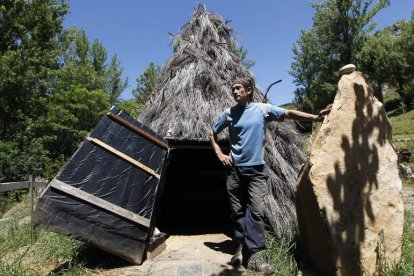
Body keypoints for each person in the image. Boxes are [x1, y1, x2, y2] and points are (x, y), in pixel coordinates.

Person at [209, 76, 330, 274]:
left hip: (256, 170)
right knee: (237, 211)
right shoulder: (228, 113)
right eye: (233, 89)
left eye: (238, 88)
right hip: (234, 171)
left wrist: (315, 117)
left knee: (255, 210)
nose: (235, 92)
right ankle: (240, 248)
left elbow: (289, 113)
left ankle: (257, 256)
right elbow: (211, 133)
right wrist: (219, 153)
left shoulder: (261, 109)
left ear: (248, 91)